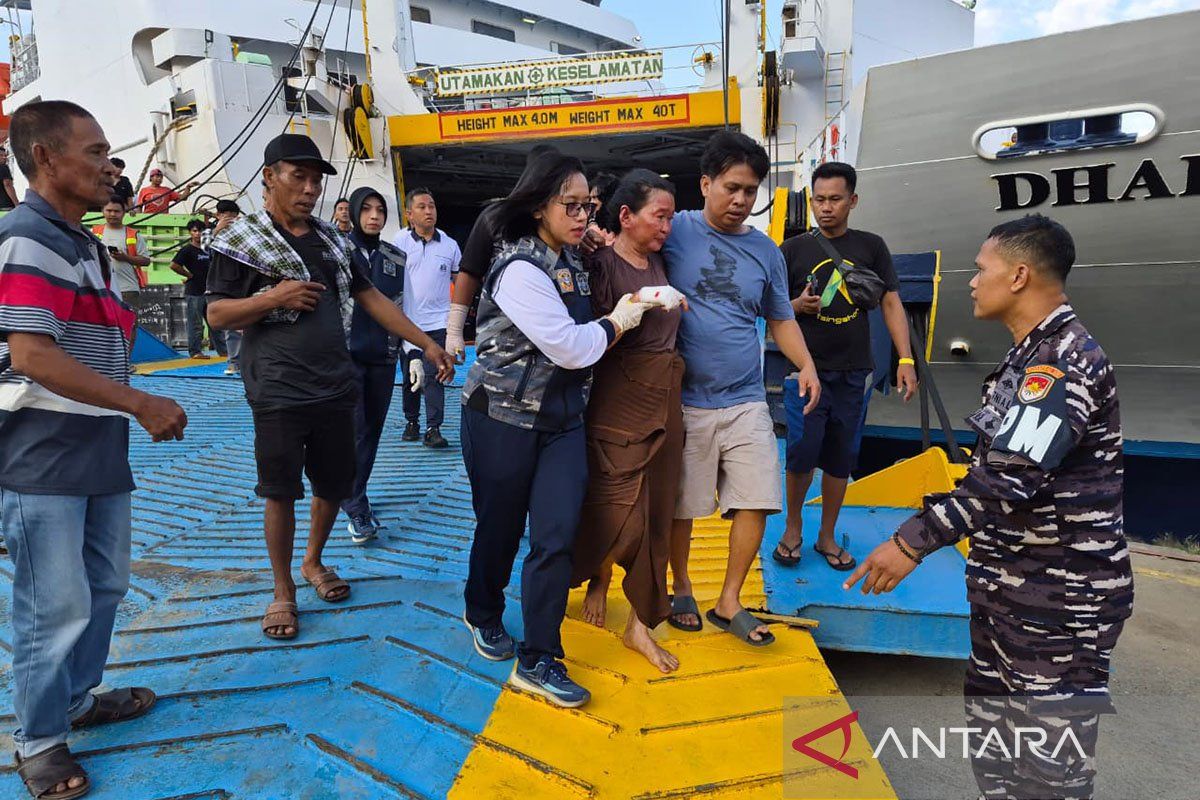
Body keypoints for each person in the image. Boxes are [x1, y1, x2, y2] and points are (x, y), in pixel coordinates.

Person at [846, 214, 1133, 800]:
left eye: (981, 270)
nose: (972, 282)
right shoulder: (1030, 356)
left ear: (1020, 275)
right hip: (1014, 595)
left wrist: (910, 542)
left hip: (1059, 607)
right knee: (999, 758)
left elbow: (1009, 479)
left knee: (1048, 775)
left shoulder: (1061, 364)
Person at [0, 99, 188, 800]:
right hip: (42, 453)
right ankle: (40, 739)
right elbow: (31, 354)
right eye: (95, 151)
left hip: (97, 447)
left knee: (103, 586)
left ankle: (77, 698)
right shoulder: (29, 238)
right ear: (46, 158)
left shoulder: (82, 242)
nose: (111, 166)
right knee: (52, 605)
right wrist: (141, 402)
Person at [205, 133, 453, 641]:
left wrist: (426, 345)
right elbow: (217, 312)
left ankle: (313, 563)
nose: (309, 188)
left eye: (316, 179)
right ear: (269, 177)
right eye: (298, 176)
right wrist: (273, 297)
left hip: (334, 383)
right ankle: (282, 590)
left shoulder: (329, 239)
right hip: (277, 387)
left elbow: (373, 299)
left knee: (332, 484)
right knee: (280, 491)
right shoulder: (243, 240)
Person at [461, 153, 655, 708]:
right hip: (501, 417)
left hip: (561, 423)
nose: (580, 215)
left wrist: (592, 243)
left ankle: (540, 656)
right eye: (569, 205)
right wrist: (621, 318)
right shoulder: (520, 268)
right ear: (538, 204)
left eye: (586, 205)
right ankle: (483, 609)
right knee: (498, 526)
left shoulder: (568, 256)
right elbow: (572, 348)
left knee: (555, 536)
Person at [662, 130, 820, 646]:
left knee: (757, 497)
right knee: (682, 505)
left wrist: (807, 364)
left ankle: (729, 600)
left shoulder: (765, 252)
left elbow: (780, 318)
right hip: (684, 400)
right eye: (732, 187)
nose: (741, 201)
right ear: (705, 184)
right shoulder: (676, 229)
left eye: (751, 190)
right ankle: (680, 583)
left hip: (746, 397)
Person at [774, 161, 918, 571]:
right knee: (801, 453)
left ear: (852, 200)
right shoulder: (793, 250)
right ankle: (794, 529)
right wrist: (798, 305)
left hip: (853, 372)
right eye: (819, 199)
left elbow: (891, 301)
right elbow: (774, 308)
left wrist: (904, 358)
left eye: (835, 199)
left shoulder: (871, 246)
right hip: (806, 372)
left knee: (841, 457)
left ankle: (826, 536)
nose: (826, 207)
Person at [572, 169, 688, 674]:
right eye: (658, 217)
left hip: (666, 396)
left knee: (659, 512)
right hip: (617, 399)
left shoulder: (660, 260)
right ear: (625, 216)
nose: (666, 227)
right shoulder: (598, 266)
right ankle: (597, 578)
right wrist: (638, 304)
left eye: (669, 217)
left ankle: (640, 624)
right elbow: (588, 340)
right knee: (618, 508)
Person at [445, 144, 561, 362]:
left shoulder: (566, 221)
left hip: (552, 337)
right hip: (505, 341)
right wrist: (454, 331)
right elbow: (469, 272)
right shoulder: (496, 217)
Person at [341, 187, 410, 543]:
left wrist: (411, 352)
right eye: (366, 209)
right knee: (351, 430)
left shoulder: (396, 258)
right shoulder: (337, 252)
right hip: (345, 358)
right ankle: (354, 503)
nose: (373, 216)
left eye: (380, 210)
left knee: (371, 431)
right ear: (353, 213)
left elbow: (402, 307)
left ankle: (356, 492)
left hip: (383, 357)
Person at [393, 187, 461, 447]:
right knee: (410, 375)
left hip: (438, 323)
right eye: (421, 207)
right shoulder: (398, 242)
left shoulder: (450, 245)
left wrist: (456, 324)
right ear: (409, 214)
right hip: (407, 323)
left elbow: (459, 281)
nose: (428, 211)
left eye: (431, 205)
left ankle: (434, 428)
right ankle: (412, 421)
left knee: (436, 375)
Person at [169, 219, 220, 359]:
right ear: (190, 233)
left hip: (210, 291)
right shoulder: (187, 250)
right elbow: (174, 265)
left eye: (200, 231)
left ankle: (224, 351)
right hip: (194, 291)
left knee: (216, 323)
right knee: (196, 324)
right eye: (194, 231)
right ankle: (195, 351)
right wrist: (188, 275)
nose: (197, 234)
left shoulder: (210, 249)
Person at [205, 200, 243, 374]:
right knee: (231, 324)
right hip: (223, 281)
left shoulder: (244, 229)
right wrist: (216, 230)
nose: (230, 219)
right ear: (218, 215)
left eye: (233, 216)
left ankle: (249, 360)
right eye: (226, 216)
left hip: (243, 278)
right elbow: (206, 250)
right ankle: (234, 361)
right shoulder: (209, 232)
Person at [0, 144, 19, 209]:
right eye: (1, 155)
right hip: (6, 206)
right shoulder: (3, 168)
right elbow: (8, 185)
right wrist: (17, 204)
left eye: (5, 155)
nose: (4, 157)